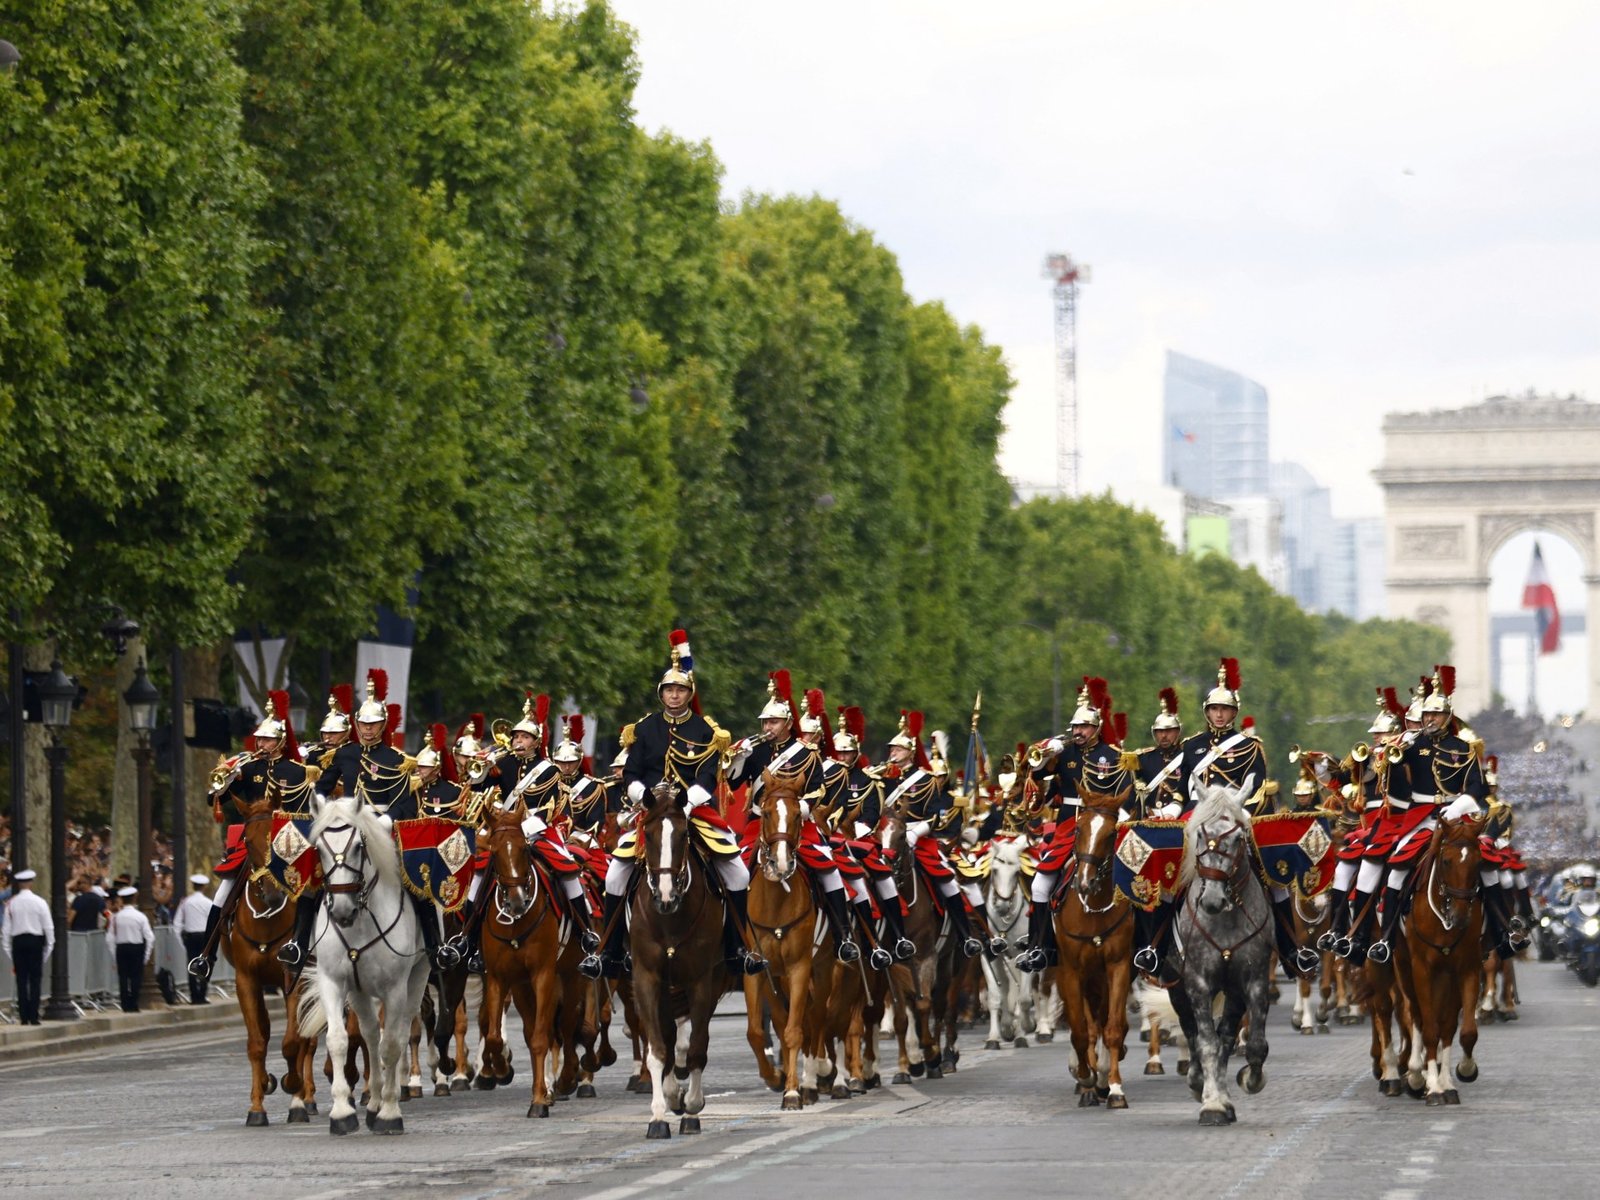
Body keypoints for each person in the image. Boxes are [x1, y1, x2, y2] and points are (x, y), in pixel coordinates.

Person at [583, 630, 764, 980]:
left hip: (693, 812)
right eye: (669, 690)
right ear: (661, 694)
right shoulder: (645, 728)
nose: (674, 695)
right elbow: (632, 772)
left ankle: (737, 947)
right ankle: (610, 951)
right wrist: (642, 797)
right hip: (650, 812)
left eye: (680, 689)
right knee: (615, 875)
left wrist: (688, 804)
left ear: (688, 693)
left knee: (739, 873)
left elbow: (709, 775)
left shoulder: (704, 730)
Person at [303, 671, 459, 973]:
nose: (367, 730)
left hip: (382, 829)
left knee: (416, 880)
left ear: (382, 725)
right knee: (315, 876)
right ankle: (300, 943)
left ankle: (434, 944)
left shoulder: (395, 758)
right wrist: (320, 802)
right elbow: (324, 784)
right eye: (362, 723)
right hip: (348, 827)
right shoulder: (343, 754)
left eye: (373, 724)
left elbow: (403, 801)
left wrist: (387, 820)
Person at [1181, 658, 1319, 978]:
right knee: (1166, 875)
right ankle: (1154, 948)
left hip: (1236, 813)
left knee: (1274, 878)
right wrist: (1173, 810)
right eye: (1214, 709)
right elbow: (1179, 789)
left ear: (1233, 713)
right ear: (1206, 712)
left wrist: (1236, 811)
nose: (1219, 714)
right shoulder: (1191, 747)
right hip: (1197, 816)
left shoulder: (1249, 746)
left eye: (1224, 709)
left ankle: (1290, 952)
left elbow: (1255, 786)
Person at [724, 674, 860, 962]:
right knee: (732, 870)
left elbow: (818, 790)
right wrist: (738, 759)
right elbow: (733, 783)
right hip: (759, 823)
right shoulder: (755, 749)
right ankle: (731, 939)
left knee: (829, 869)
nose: (767, 727)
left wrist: (798, 811)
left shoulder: (807, 754)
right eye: (764, 722)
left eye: (772, 722)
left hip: (799, 824)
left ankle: (842, 935)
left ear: (787, 724)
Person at [1018, 679, 1127, 972]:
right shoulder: (1063, 752)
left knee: (1133, 875)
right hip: (1069, 826)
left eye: (1084, 727)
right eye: (1075, 727)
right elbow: (1035, 771)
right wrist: (1047, 749)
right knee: (1040, 884)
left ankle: (1142, 945)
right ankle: (1040, 946)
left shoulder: (1113, 756)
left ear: (1096, 728)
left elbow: (1124, 790)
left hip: (1103, 826)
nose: (1078, 732)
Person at [1131, 687, 1186, 976]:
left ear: (1178, 732)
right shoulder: (1142, 759)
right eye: (1159, 732)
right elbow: (1131, 793)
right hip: (1149, 829)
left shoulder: (1188, 757)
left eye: (1169, 731)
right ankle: (1139, 943)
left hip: (1180, 828)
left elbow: (1191, 792)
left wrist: (1175, 809)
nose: (1164, 736)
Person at [2, 868, 53, 1024]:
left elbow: (6, 930)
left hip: (18, 942)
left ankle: (24, 1016)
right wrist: (49, 947)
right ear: (31, 883)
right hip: (35, 941)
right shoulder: (40, 902)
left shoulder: (11, 903)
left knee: (21, 980)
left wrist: (8, 950)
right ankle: (34, 1015)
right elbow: (48, 927)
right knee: (36, 979)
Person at [107, 886, 155, 1012]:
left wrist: (114, 953)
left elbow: (110, 937)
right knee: (136, 977)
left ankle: (124, 1004)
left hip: (121, 947)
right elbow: (149, 937)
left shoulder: (116, 917)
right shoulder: (140, 916)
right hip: (136, 947)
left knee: (123, 977)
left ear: (122, 899)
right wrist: (146, 955)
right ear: (134, 898)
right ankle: (133, 1003)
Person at [172, 874, 213, 1004]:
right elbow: (214, 922)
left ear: (193, 886)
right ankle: (202, 994)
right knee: (206, 965)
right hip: (205, 937)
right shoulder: (208, 903)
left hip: (190, 937)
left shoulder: (185, 902)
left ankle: (194, 996)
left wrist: (181, 941)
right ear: (204, 887)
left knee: (192, 965)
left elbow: (177, 923)